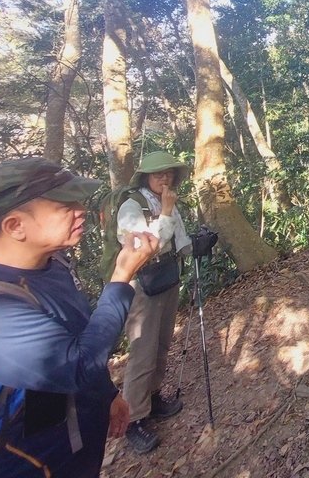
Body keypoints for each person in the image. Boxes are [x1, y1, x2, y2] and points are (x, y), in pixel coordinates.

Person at [0, 157, 159, 477]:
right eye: (64, 205)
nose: (81, 209)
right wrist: (121, 277)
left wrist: (107, 394)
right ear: (15, 226)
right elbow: (77, 364)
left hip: (70, 456)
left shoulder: (53, 264)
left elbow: (80, 334)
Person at [115, 150, 193, 454]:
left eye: (170, 173)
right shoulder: (132, 206)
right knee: (142, 352)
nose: (166, 178)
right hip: (141, 285)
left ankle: (154, 397)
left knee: (161, 344)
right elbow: (148, 247)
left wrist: (192, 249)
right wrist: (166, 212)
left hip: (167, 279)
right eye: (159, 174)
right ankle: (133, 419)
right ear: (146, 176)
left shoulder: (166, 200)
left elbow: (179, 238)